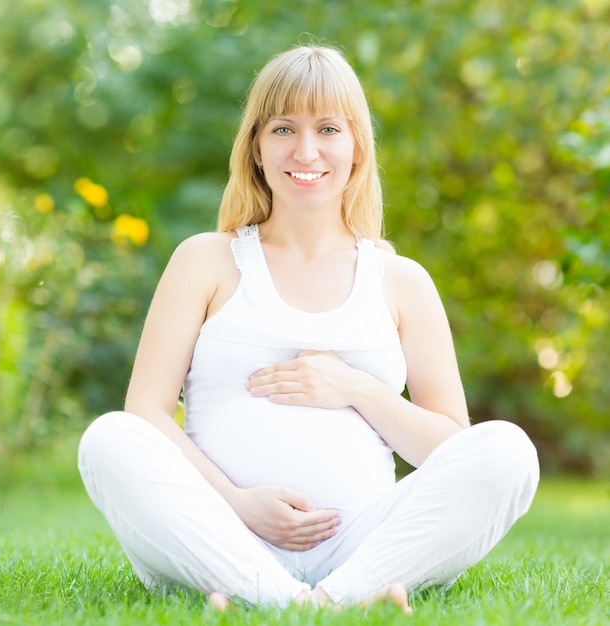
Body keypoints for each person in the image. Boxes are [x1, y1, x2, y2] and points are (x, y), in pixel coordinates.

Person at [78, 44, 539, 614]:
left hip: (362, 543)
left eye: (327, 128)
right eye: (282, 129)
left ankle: (320, 597)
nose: (306, 150)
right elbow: (145, 411)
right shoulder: (205, 260)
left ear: (357, 147)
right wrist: (239, 503)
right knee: (108, 440)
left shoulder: (401, 281)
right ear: (255, 148)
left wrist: (358, 389)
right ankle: (306, 601)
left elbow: (450, 449)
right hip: (223, 531)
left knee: (509, 451)